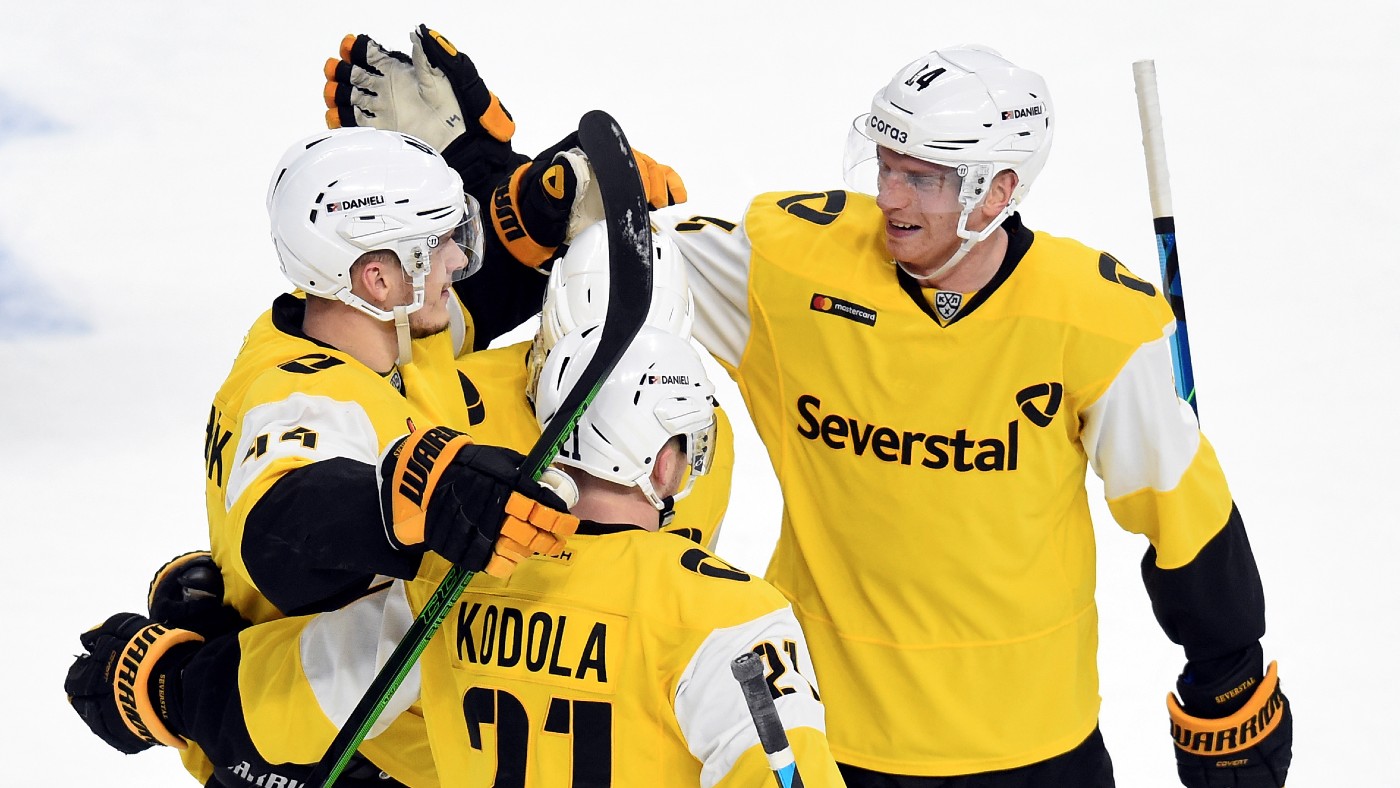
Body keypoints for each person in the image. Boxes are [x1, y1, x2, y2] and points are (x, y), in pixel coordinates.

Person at [352, 36, 1294, 787]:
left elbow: (1180, 510)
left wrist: (1228, 673)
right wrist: (486, 172)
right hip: (818, 737)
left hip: (1033, 752)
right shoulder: (794, 265)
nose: (889, 197)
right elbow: (619, 250)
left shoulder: (1093, 321)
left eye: (923, 178)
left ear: (1000, 189)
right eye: (886, 165)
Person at [66, 325, 847, 787]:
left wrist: (167, 683)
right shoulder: (730, 620)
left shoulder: (446, 590)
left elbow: (285, 699)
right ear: (667, 460)